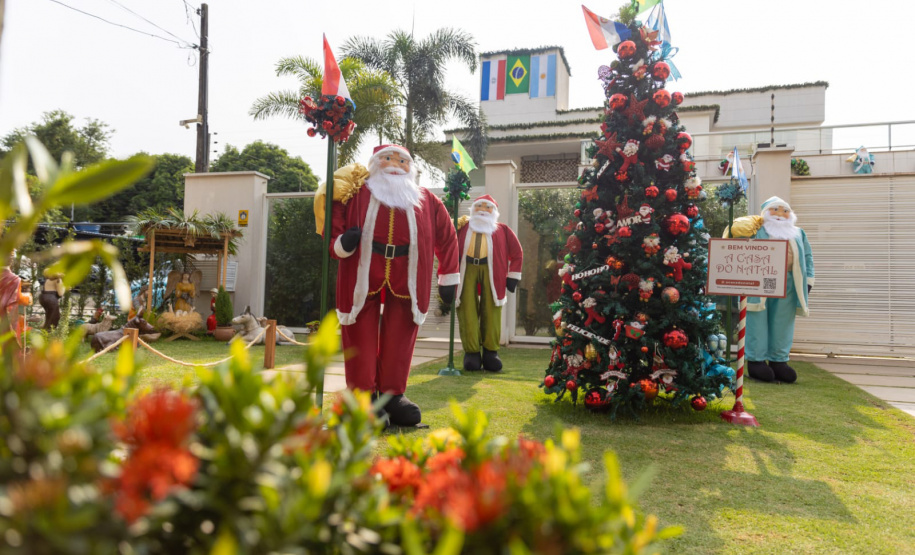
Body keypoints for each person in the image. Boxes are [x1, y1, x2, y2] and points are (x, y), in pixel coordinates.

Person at [323, 144, 460, 426]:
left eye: (402, 160)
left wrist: (448, 276)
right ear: (375, 163)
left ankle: (392, 395)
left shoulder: (427, 200)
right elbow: (332, 216)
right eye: (387, 158)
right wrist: (341, 242)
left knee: (401, 334)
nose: (395, 163)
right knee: (359, 333)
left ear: (411, 167)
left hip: (408, 275)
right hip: (362, 270)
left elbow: (447, 236)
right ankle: (363, 398)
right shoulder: (356, 192)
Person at [728, 196, 815, 383]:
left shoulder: (798, 233)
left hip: (789, 282)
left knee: (783, 322)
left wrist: (808, 281)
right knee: (757, 319)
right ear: (766, 212)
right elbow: (736, 239)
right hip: (760, 281)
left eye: (785, 211)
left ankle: (779, 361)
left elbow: (807, 256)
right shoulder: (756, 230)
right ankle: (756, 361)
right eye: (775, 210)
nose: (780, 214)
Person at [455, 195, 523, 372]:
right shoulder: (462, 227)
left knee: (492, 308)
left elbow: (517, 252)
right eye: (479, 206)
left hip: (492, 271)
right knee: (466, 308)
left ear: (494, 211)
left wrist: (513, 276)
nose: (483, 210)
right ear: (472, 209)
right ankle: (472, 353)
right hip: (466, 269)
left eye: (488, 207)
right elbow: (447, 246)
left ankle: (490, 352)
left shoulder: (503, 230)